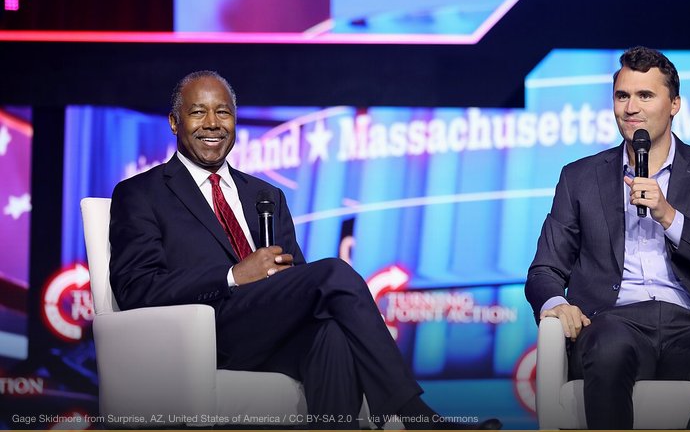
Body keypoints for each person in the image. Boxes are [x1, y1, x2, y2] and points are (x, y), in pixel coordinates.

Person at [109, 70, 501, 430]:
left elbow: (296, 279)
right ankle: (414, 414)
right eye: (198, 112)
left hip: (269, 331)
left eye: (223, 113)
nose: (212, 124)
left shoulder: (266, 195)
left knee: (331, 333)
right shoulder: (142, 194)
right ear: (175, 122)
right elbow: (136, 288)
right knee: (333, 273)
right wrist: (232, 275)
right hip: (203, 335)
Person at [525, 47, 690, 429]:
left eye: (645, 95)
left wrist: (670, 217)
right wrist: (557, 303)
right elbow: (544, 269)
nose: (630, 107)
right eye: (623, 96)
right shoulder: (580, 177)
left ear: (675, 104)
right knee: (609, 348)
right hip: (614, 323)